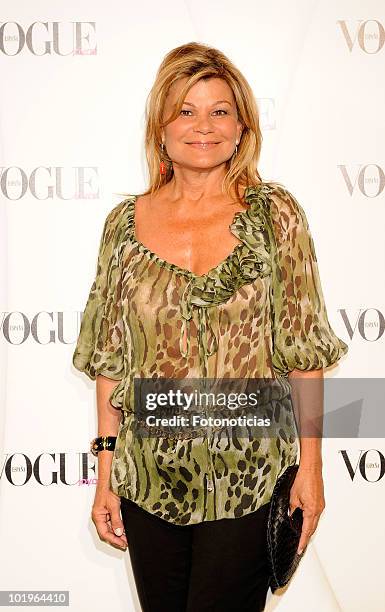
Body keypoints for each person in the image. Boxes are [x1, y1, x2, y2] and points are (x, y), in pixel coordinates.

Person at [72, 42, 349, 612]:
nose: (203, 126)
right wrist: (106, 472)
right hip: (149, 477)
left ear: (243, 126)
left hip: (250, 472)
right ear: (161, 128)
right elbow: (111, 360)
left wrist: (312, 469)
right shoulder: (123, 225)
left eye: (220, 110)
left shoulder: (276, 216)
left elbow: (304, 351)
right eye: (186, 111)